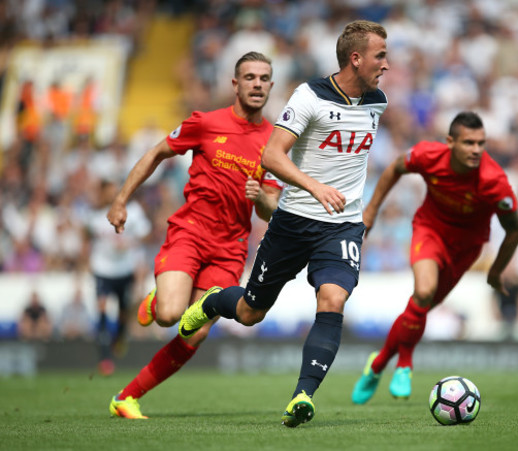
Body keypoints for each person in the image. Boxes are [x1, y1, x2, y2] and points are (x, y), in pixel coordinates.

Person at [178, 20, 389, 427]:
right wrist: (315, 187)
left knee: (333, 301)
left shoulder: (378, 100)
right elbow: (272, 156)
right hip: (293, 221)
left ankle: (302, 396)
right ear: (356, 58)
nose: (386, 63)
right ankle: (212, 301)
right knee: (249, 312)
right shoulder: (309, 95)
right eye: (380, 55)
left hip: (342, 225)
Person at [107, 51, 282, 419]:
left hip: (230, 248)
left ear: (271, 85)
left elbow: (270, 209)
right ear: (235, 84)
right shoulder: (206, 122)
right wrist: (121, 200)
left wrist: (261, 198)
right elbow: (157, 152)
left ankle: (126, 397)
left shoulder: (275, 142)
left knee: (196, 333)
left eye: (264, 78)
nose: (256, 84)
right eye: (249, 77)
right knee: (170, 316)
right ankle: (159, 300)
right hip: (190, 232)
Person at [351, 111, 518, 404]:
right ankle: (405, 364)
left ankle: (377, 365)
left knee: (420, 308)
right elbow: (394, 168)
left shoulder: (494, 182)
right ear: (450, 142)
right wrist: (371, 211)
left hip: (465, 250)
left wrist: (495, 271)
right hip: (429, 231)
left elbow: (514, 231)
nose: (476, 150)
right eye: (469, 143)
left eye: (481, 143)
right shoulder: (428, 155)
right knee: (424, 291)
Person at [84, 178, 152, 375]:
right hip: (102, 270)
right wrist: (85, 263)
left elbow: (147, 235)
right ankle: (105, 358)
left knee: (123, 312)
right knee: (102, 309)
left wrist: (132, 241)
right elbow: (86, 239)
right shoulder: (94, 216)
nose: (113, 195)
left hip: (125, 270)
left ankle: (120, 337)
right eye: (109, 191)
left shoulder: (134, 212)